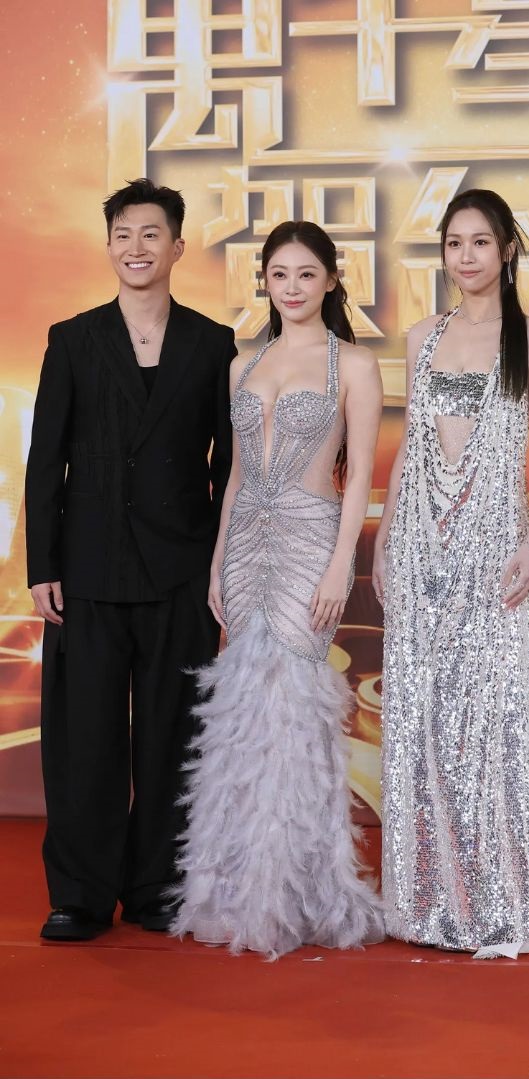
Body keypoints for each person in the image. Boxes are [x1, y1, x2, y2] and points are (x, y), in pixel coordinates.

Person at [373, 189, 529, 959]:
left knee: (496, 718)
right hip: (421, 547)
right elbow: (411, 447)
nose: (465, 256)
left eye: (480, 242)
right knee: (423, 717)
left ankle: (506, 895)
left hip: (496, 549)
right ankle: (436, 900)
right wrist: (385, 538)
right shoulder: (422, 336)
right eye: (454, 243)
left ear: (507, 251)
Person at [26, 178, 236, 941]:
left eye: (151, 234)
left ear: (178, 246)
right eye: (123, 234)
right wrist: (41, 564)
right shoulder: (73, 339)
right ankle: (80, 893)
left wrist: (219, 564)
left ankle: (158, 886)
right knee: (83, 736)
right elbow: (45, 460)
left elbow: (229, 467)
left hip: (181, 570)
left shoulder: (212, 343)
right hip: (85, 569)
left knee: (172, 734)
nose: (136, 247)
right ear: (108, 244)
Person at [171, 221, 385, 960]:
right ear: (263, 280)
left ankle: (300, 892)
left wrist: (341, 564)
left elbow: (359, 476)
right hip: (244, 548)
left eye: (306, 274)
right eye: (279, 274)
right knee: (241, 714)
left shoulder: (353, 364)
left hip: (309, 541)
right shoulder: (243, 363)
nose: (291, 288)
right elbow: (233, 474)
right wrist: (216, 560)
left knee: (296, 711)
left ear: (331, 280)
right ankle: (234, 890)